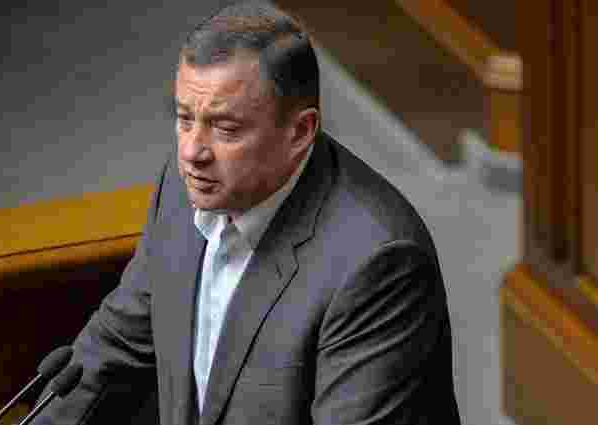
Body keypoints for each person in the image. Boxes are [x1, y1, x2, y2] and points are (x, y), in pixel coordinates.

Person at [34, 2, 461, 424]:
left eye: (225, 128)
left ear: (299, 131)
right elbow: (116, 346)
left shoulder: (377, 264)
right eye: (184, 119)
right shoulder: (187, 187)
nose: (192, 152)